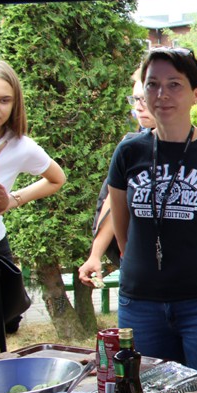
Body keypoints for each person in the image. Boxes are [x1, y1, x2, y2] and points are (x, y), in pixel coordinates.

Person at [107, 48, 197, 369]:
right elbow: (121, 227)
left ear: (196, 93)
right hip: (141, 304)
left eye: (174, 84)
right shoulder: (128, 152)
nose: (161, 94)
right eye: (152, 85)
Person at [0, 60, 67, 334]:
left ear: (15, 104)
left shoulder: (20, 146)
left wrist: (12, 200)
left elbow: (57, 178)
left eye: (3, 100)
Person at [78, 81, 156, 287]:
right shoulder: (129, 148)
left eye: (144, 99)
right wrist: (95, 255)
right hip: (138, 266)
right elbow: (113, 203)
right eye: (135, 99)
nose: (138, 106)